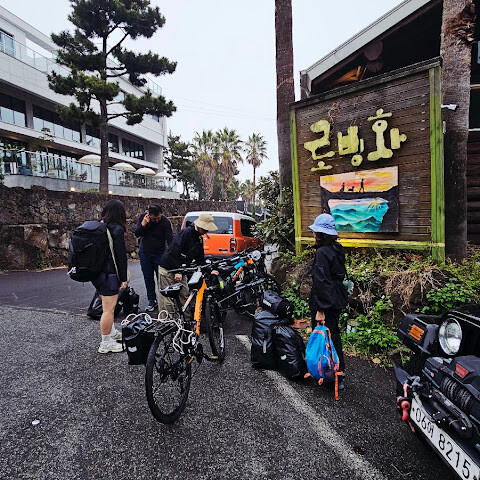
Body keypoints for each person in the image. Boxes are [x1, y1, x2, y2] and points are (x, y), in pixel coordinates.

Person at [308, 213, 348, 389]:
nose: (313, 234)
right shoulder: (337, 249)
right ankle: (339, 372)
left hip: (326, 300)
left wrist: (320, 309)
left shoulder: (322, 252)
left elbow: (321, 282)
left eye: (315, 231)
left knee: (324, 337)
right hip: (337, 297)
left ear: (320, 234)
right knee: (334, 335)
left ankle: (329, 374)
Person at [157, 213, 218, 315]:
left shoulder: (199, 239)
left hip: (182, 269)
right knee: (167, 299)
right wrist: (177, 270)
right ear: (199, 226)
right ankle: (167, 322)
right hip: (168, 268)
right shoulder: (185, 233)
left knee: (184, 295)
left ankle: (186, 321)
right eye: (205, 229)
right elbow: (174, 251)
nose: (206, 232)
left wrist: (209, 270)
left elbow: (200, 258)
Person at [92, 199, 128, 354]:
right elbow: (120, 256)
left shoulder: (99, 227)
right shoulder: (117, 230)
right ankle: (106, 342)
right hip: (109, 274)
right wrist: (123, 278)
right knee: (108, 309)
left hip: (96, 273)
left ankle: (112, 333)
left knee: (107, 306)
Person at [134, 204, 173, 312]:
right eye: (154, 218)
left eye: (158, 217)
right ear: (149, 215)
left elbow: (170, 240)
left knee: (162, 278)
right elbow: (137, 233)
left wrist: (171, 255)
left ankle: (163, 301)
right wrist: (143, 224)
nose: (156, 220)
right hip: (145, 253)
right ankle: (152, 301)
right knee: (148, 278)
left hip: (160, 254)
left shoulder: (165, 221)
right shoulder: (143, 218)